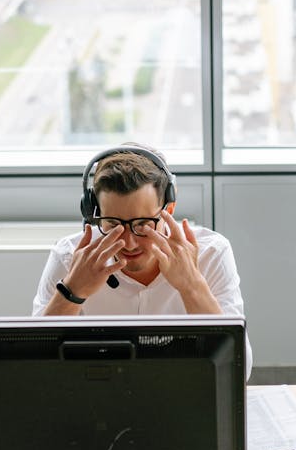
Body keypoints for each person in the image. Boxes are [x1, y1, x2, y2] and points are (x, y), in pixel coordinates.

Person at [33, 144, 252, 378]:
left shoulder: (212, 254)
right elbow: (33, 366)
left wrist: (192, 286)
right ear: (93, 213)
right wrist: (71, 292)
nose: (129, 243)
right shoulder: (69, 258)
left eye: (143, 224)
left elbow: (239, 371)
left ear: (169, 208)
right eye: (113, 224)